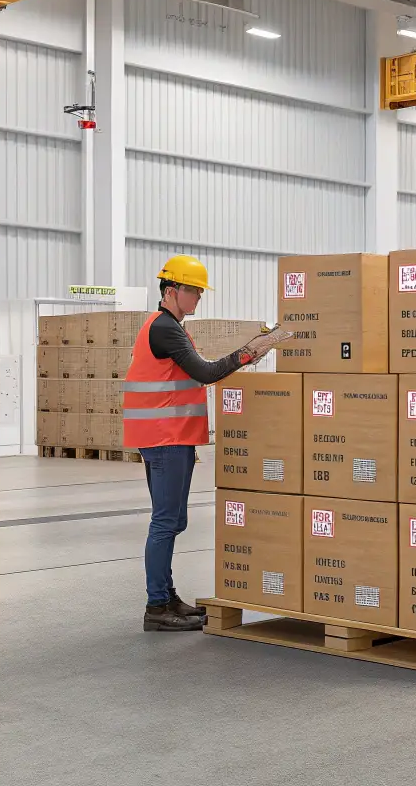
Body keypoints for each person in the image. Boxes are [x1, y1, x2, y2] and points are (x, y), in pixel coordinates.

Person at [126, 255, 277, 631]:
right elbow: (206, 372)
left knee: (174, 520)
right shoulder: (164, 328)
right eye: (193, 291)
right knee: (165, 522)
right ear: (171, 291)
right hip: (165, 439)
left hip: (171, 437)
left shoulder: (169, 326)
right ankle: (157, 606)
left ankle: (167, 596)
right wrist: (250, 351)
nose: (198, 298)